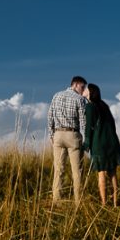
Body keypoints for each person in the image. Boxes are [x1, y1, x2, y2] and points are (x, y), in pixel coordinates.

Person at [82, 83, 120, 206]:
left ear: (90, 92)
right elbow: (113, 125)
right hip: (112, 142)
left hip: (99, 143)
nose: (84, 90)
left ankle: (104, 204)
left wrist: (87, 144)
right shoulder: (104, 105)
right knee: (113, 174)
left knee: (101, 174)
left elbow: (88, 128)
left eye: (86, 89)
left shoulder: (90, 107)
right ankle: (116, 203)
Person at [47, 75, 88, 203]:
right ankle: (78, 201)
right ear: (75, 84)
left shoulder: (56, 95)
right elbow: (83, 122)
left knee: (58, 170)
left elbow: (50, 116)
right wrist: (86, 139)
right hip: (73, 135)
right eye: (82, 87)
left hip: (58, 134)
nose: (83, 90)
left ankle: (56, 200)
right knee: (77, 171)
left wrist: (51, 135)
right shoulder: (80, 99)